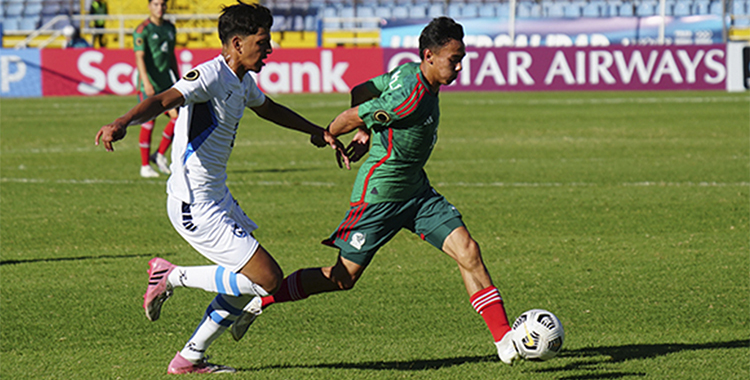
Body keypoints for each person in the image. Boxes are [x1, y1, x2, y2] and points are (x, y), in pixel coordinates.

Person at [230, 16, 522, 365]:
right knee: (342, 279)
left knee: (468, 251)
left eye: (461, 58)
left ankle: (505, 341)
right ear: (429, 56)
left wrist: (368, 133)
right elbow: (353, 112)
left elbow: (362, 88)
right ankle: (263, 301)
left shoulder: (407, 71)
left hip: (417, 192)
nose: (459, 67)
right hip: (379, 196)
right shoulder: (407, 98)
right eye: (453, 59)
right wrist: (331, 133)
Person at [95, 2, 349, 374]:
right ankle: (171, 275)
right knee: (267, 279)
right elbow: (163, 99)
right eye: (263, 42)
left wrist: (317, 131)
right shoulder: (210, 75)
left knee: (239, 282)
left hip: (218, 198)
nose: (270, 49)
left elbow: (269, 108)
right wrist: (123, 121)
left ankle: (189, 358)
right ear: (236, 42)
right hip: (193, 204)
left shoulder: (242, 82)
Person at [133, 0, 179, 178]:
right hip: (149, 83)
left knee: (178, 118)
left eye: (162, 5)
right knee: (149, 121)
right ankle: (144, 166)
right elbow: (140, 57)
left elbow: (171, 56)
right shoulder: (143, 30)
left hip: (166, 82)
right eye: (156, 4)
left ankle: (159, 155)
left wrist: (178, 79)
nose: (160, 8)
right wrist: (146, 82)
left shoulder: (170, 28)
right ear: (149, 6)